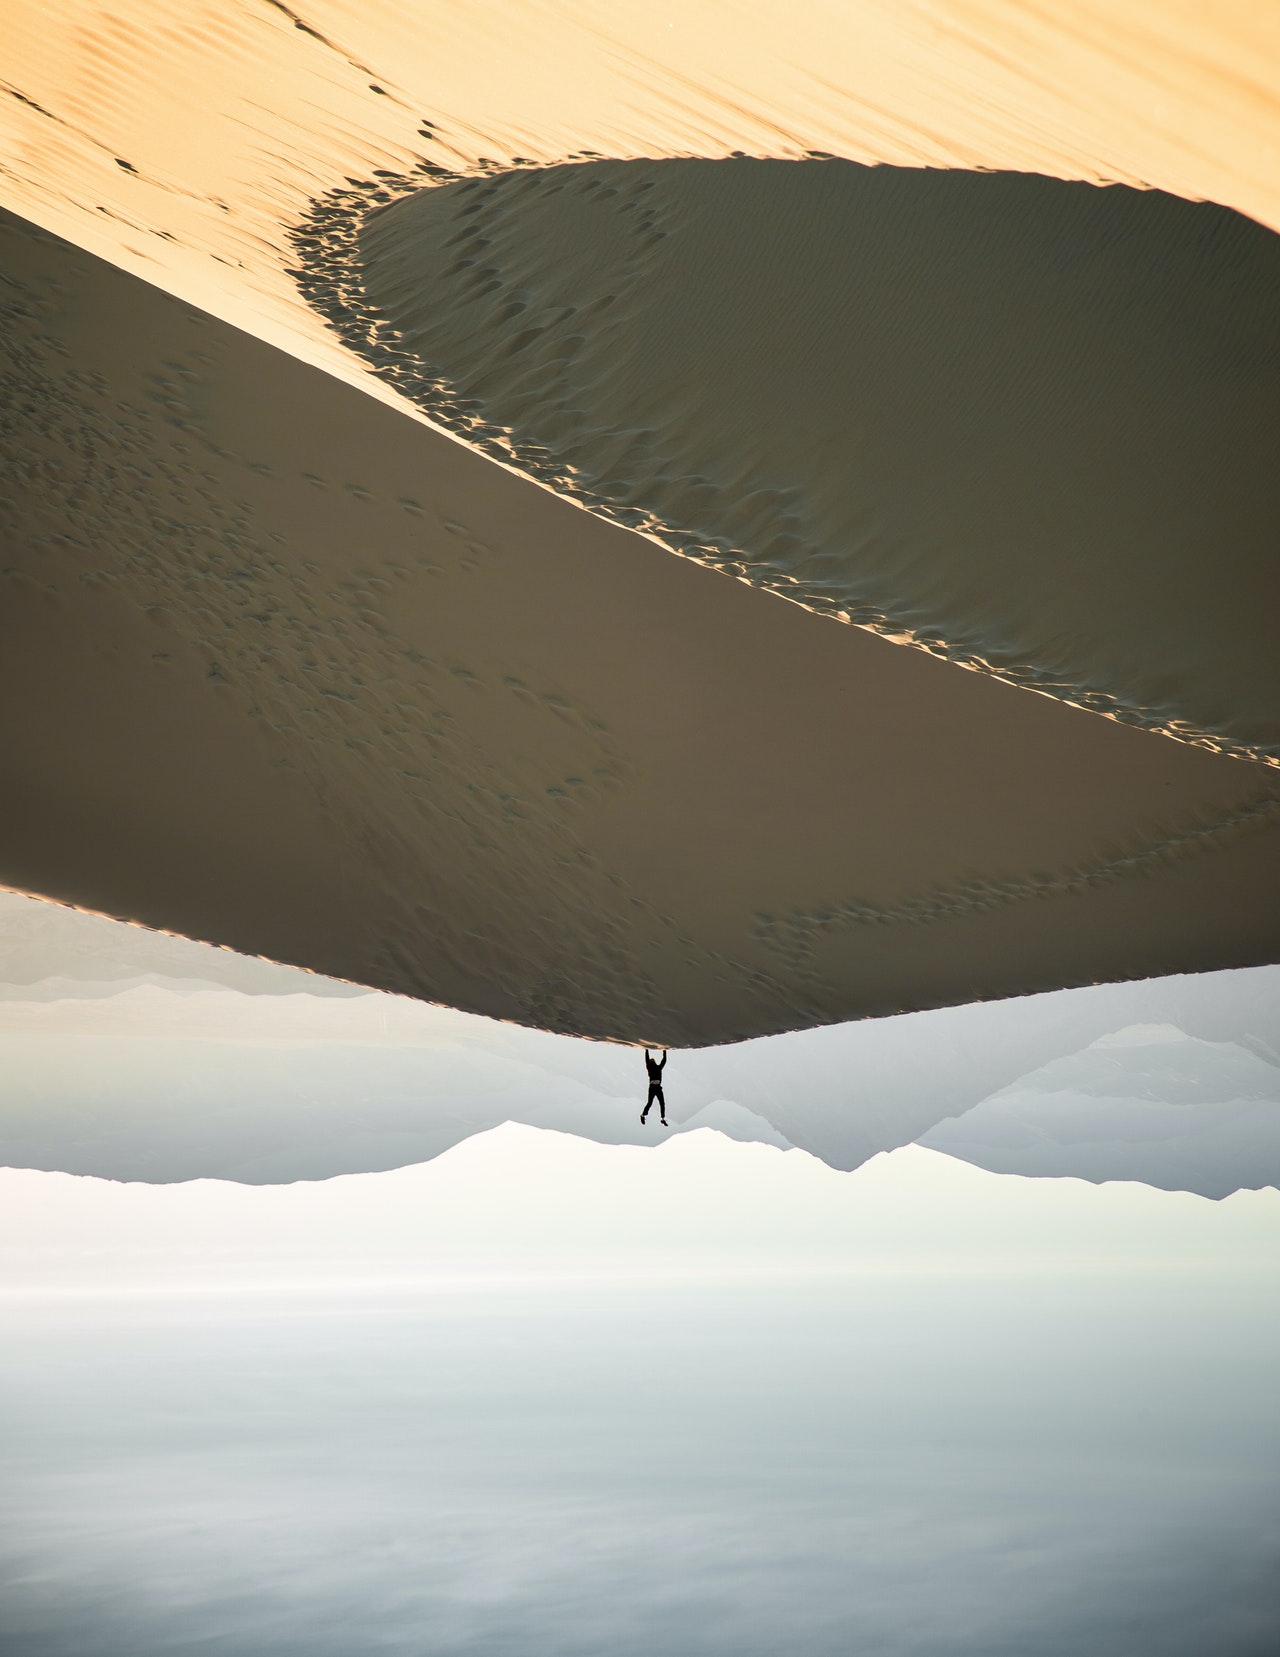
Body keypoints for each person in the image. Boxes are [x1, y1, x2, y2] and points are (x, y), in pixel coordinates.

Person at [641, 1047, 668, 1127]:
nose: (652, 1060)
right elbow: (664, 1060)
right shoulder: (656, 1068)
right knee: (656, 1103)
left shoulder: (653, 1068)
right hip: (655, 1087)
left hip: (654, 1087)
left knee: (659, 1103)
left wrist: (646, 1050)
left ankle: (662, 1119)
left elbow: (663, 1061)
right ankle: (643, 1116)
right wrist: (664, 1051)